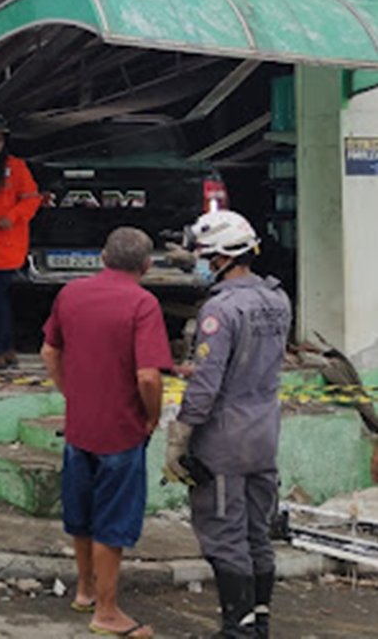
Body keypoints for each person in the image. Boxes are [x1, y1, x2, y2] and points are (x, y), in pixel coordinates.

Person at [163, 210, 291, 638]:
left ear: (220, 257)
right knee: (258, 533)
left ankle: (238, 629)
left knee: (224, 533)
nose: (200, 263)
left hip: (224, 439)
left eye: (202, 256)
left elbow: (206, 384)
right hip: (264, 433)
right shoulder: (277, 299)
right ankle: (259, 622)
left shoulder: (220, 310)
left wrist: (180, 436)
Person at [41, 227, 171, 638]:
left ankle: (85, 590)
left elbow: (48, 351)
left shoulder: (72, 294)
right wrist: (152, 417)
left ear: (102, 256)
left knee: (81, 515)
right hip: (121, 429)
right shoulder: (143, 304)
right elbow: (149, 377)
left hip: (80, 426)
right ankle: (108, 612)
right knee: (112, 523)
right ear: (147, 265)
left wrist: (71, 393)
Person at [0, 115, 40, 368]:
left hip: (5, 245)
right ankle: (4, 347)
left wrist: (12, 217)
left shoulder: (17, 168)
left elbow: (31, 199)